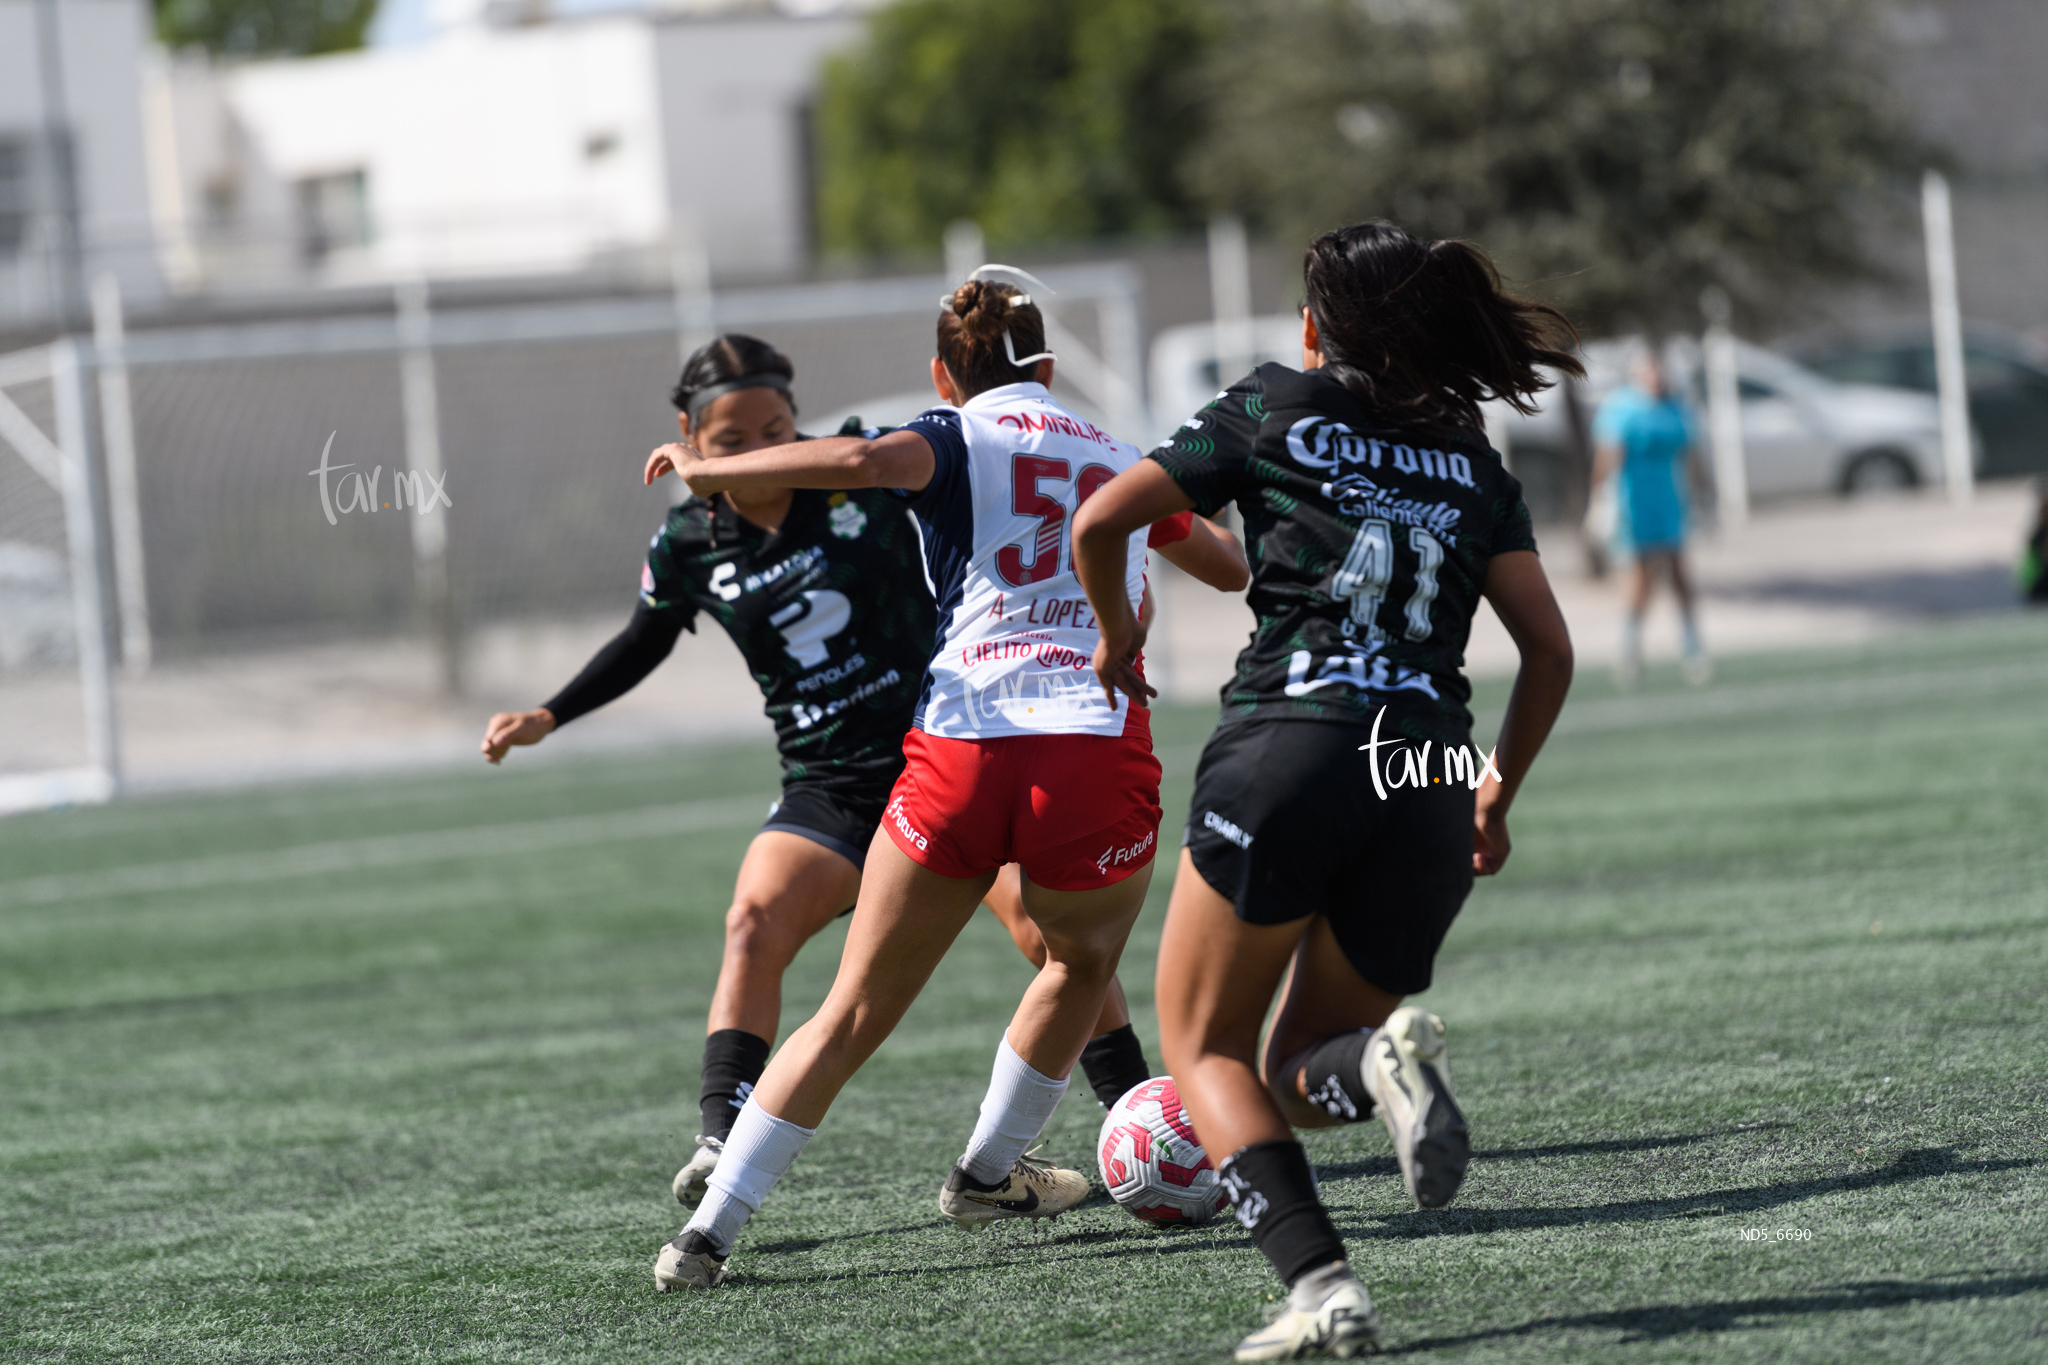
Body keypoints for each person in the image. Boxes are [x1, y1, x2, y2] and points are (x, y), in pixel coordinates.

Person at [479, 334, 1243, 1216]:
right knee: (753, 919)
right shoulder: (689, 538)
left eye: (777, 425)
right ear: (690, 436)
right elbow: (644, 639)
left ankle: (1136, 1120)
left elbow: (981, 518)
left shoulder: (858, 482)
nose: (760, 448)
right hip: (830, 782)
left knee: (1054, 941)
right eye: (733, 439)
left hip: (946, 747)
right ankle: (722, 1137)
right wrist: (551, 713)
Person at [650, 270, 1227, 1291]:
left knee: (850, 1009)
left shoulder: (955, 433)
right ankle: (985, 1171)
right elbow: (1225, 568)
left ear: (942, 375)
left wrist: (708, 474)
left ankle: (706, 1236)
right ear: (1049, 366)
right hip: (1089, 747)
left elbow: (862, 459)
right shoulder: (1120, 453)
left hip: (959, 744)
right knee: (1073, 964)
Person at [1073, 221, 1577, 1360]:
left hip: (1288, 743)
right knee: (1302, 1069)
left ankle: (1321, 1284)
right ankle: (1378, 1068)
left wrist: (1113, 640)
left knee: (1203, 1051)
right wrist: (1491, 793)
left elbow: (1102, 518)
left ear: (1316, 328)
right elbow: (1547, 652)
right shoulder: (1471, 459)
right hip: (1431, 769)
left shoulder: (1272, 404)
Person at [1591, 345, 1709, 686]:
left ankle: (1692, 647)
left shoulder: (1676, 408)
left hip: (1670, 502)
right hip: (1634, 503)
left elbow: (1691, 455)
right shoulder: (1623, 408)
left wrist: (1705, 495)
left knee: (1679, 573)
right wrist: (1599, 500)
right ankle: (1629, 648)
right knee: (1640, 579)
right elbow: (1607, 457)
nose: (1656, 378)